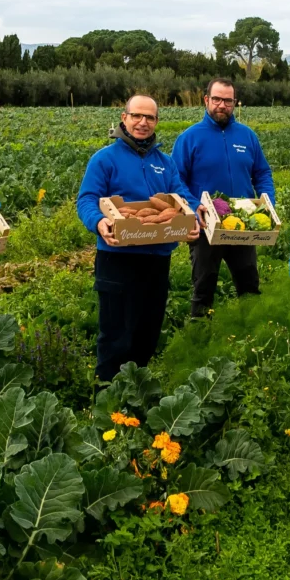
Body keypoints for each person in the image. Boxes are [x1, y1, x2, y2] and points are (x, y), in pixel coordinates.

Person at [77, 95, 201, 381]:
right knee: (115, 336)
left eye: (149, 117)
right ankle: (107, 402)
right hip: (118, 257)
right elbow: (86, 200)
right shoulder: (104, 159)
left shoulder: (165, 162)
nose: (143, 123)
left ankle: (136, 399)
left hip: (157, 259)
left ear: (157, 121)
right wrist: (99, 222)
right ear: (124, 118)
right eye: (137, 116)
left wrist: (192, 217)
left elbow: (181, 196)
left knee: (147, 332)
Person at [172, 78, 275, 318]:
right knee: (204, 285)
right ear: (206, 100)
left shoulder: (247, 136)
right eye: (217, 99)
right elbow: (175, 181)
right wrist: (194, 204)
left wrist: (267, 202)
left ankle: (250, 331)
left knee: (249, 282)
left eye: (228, 101)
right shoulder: (189, 138)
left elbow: (262, 172)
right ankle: (200, 335)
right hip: (206, 224)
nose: (222, 105)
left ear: (235, 103)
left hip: (243, 222)